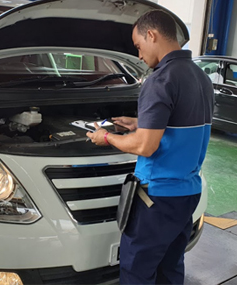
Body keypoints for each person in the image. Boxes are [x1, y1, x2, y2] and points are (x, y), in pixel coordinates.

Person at [86, 9, 214, 285]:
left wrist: (105, 138)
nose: (140, 56)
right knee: (170, 268)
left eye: (139, 46)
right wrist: (140, 122)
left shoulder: (160, 79)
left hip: (156, 198)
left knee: (137, 272)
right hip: (187, 195)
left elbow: (145, 146)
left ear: (152, 35)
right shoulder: (200, 77)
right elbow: (179, 123)